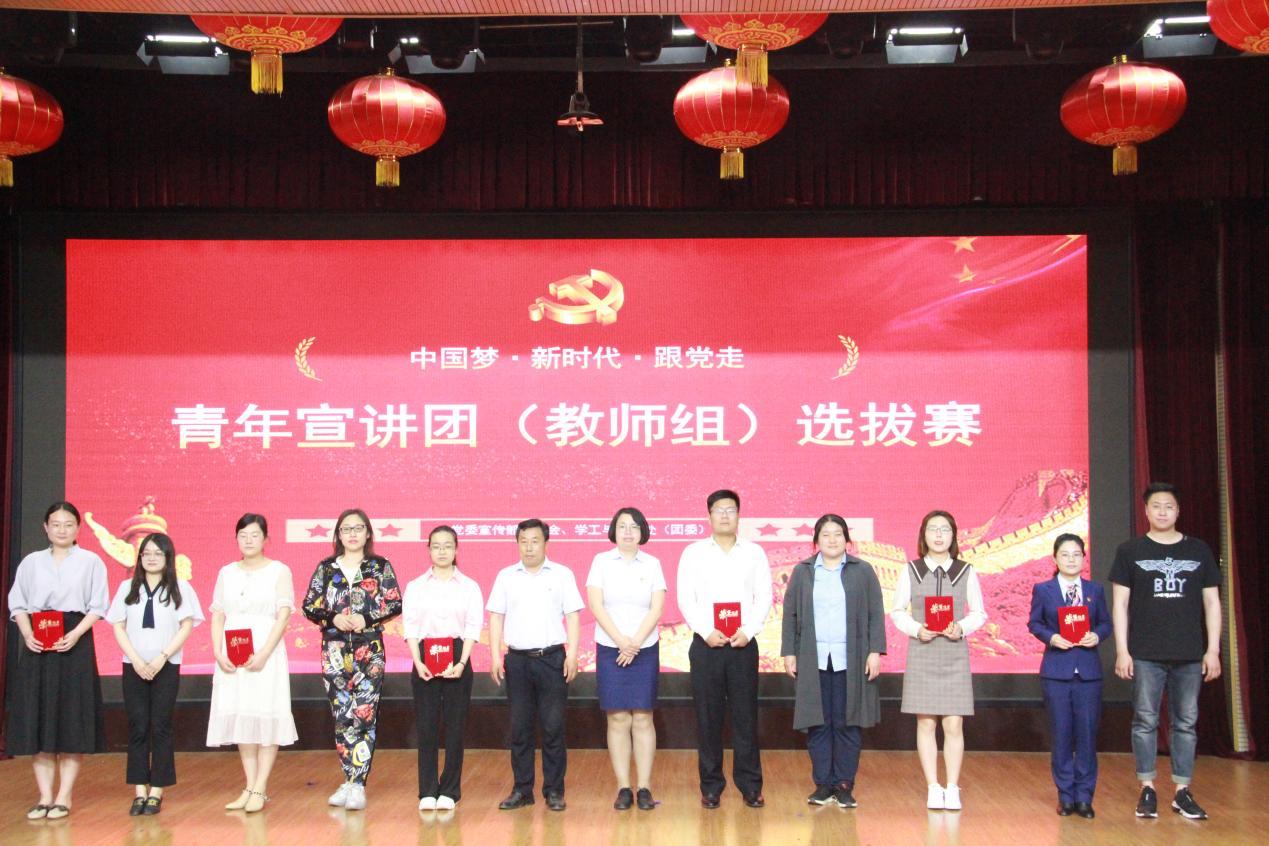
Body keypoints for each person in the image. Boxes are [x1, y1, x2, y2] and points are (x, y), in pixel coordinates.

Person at [1111, 482, 1222, 821]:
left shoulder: (1198, 550)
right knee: (1145, 720)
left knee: (1185, 722)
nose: (1162, 512)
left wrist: (1213, 650)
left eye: (1169, 506)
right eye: (1156, 506)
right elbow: (1120, 604)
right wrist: (1122, 651)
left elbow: (1212, 602)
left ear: (1178, 511)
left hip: (1189, 652)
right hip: (1145, 652)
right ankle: (1147, 788)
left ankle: (1181, 791)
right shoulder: (1130, 551)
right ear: (1146, 511)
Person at [7, 501, 110, 821]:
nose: (62, 530)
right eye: (56, 524)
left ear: (78, 528)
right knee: (39, 717)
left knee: (70, 718)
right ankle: (44, 797)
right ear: (45, 527)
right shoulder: (31, 562)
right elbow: (18, 603)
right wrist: (27, 634)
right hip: (38, 641)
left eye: (68, 524)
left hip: (74, 640)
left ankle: (64, 796)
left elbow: (98, 606)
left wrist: (76, 634)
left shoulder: (91, 561)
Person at [676, 489, 773, 809]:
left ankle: (750, 786)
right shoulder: (693, 553)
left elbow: (764, 596)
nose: (725, 515)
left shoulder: (754, 553)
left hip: (743, 644)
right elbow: (685, 598)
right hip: (707, 645)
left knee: (746, 717)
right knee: (708, 718)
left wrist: (748, 631)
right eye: (719, 510)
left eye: (731, 509)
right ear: (709, 516)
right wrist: (706, 631)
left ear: (739, 515)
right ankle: (711, 786)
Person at [781, 514, 885, 809]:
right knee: (818, 723)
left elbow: (875, 613)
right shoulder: (803, 572)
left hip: (852, 659)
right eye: (825, 534)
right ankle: (823, 784)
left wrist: (875, 651)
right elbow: (790, 614)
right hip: (812, 659)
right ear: (816, 540)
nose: (832, 540)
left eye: (838, 534)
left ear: (847, 539)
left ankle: (844, 784)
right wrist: (789, 652)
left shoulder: (862, 571)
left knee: (848, 722)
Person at [302, 508, 403, 811]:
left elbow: (395, 602)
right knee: (342, 716)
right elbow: (309, 605)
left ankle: (358, 783)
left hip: (369, 650)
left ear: (368, 533)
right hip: (334, 651)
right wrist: (332, 617)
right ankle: (348, 779)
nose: (352, 534)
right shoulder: (326, 568)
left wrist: (366, 618)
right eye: (346, 529)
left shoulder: (379, 566)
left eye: (358, 528)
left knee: (364, 715)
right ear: (338, 534)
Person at [890, 510, 987, 812]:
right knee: (926, 722)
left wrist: (962, 628)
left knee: (954, 724)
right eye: (933, 529)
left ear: (953, 536)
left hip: (954, 654)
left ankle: (953, 787)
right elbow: (897, 611)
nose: (939, 535)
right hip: (923, 652)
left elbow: (979, 613)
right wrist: (917, 629)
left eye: (945, 529)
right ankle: (933, 786)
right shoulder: (911, 570)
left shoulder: (965, 571)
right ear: (924, 535)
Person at [487, 518, 583, 812]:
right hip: (517, 661)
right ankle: (522, 789)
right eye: (523, 541)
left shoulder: (562, 574)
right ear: (517, 543)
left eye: (535, 541)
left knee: (553, 727)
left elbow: (574, 616)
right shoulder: (506, 576)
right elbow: (496, 616)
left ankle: (554, 791)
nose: (529, 547)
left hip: (552, 659)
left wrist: (573, 654)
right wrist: (495, 656)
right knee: (520, 729)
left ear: (545, 543)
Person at [107, 532, 205, 816]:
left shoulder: (180, 587)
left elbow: (187, 625)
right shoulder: (127, 587)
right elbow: (117, 625)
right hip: (133, 665)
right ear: (139, 557)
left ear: (168, 557)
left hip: (167, 665)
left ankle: (157, 791)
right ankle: (139, 790)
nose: (151, 558)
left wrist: (163, 656)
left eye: (157, 553)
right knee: (137, 726)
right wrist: (136, 659)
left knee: (161, 726)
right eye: (146, 553)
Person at [206, 513, 298, 813]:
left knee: (266, 713)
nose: (248, 540)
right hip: (232, 650)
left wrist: (264, 653)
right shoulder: (226, 572)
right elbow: (218, 614)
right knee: (242, 714)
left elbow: (283, 616)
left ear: (266, 539)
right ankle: (249, 785)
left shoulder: (279, 570)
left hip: (265, 651)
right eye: (243, 535)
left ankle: (261, 787)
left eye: (255, 535)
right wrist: (218, 651)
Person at [586, 507, 666, 811]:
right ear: (614, 531)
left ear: (642, 531)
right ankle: (623, 787)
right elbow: (596, 605)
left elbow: (656, 608)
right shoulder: (601, 562)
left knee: (643, 717)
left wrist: (634, 643)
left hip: (645, 647)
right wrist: (621, 641)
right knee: (618, 717)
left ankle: (644, 786)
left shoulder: (653, 563)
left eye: (634, 526)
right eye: (622, 526)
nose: (628, 532)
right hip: (611, 647)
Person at [1028, 533, 1112, 819]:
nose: (1071, 559)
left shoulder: (1094, 590)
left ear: (1084, 558)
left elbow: (1105, 623)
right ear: (1055, 558)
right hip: (1056, 673)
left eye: (1076, 554)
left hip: (1088, 673)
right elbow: (1034, 623)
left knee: (1087, 736)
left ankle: (1085, 797)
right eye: (1065, 554)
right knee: (1061, 735)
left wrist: (1096, 636)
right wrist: (1052, 637)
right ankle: (1065, 796)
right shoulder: (1044, 590)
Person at [402, 525, 482, 811]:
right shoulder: (415, 586)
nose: (442, 551)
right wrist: (417, 661)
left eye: (448, 546)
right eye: (436, 546)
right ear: (428, 550)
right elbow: (410, 626)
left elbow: (473, 626)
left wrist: (462, 662)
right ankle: (427, 790)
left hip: (458, 654)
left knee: (455, 726)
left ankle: (450, 790)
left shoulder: (469, 586)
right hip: (424, 655)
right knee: (426, 726)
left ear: (456, 549)